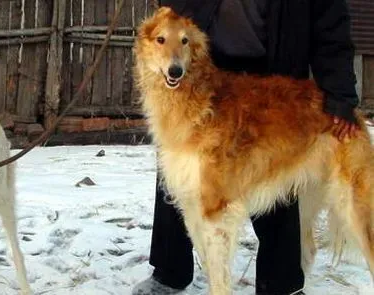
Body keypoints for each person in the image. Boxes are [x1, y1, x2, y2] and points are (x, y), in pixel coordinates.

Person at [132, 0, 360, 294]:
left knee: (275, 179)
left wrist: (340, 94)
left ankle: (281, 283)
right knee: (180, 173)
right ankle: (169, 272)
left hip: (272, 71)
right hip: (206, 63)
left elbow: (331, 28)